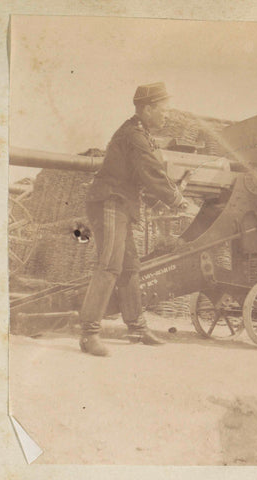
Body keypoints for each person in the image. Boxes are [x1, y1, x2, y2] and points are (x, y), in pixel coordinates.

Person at [79, 82, 188, 356]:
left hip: (121, 204)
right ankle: (88, 335)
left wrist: (163, 197)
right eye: (163, 110)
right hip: (110, 202)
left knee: (130, 266)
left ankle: (137, 329)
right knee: (110, 266)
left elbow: (142, 177)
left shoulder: (142, 134)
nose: (167, 116)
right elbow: (151, 172)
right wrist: (178, 200)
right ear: (147, 109)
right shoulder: (134, 136)